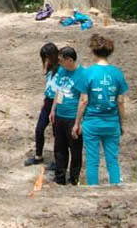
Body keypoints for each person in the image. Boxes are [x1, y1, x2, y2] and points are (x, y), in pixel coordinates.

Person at [73, 34, 129, 186]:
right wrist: (122, 124)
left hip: (92, 122)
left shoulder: (88, 73)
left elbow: (84, 100)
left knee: (92, 160)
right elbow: (121, 102)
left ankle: (93, 190)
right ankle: (116, 187)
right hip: (112, 123)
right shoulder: (117, 73)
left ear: (93, 51)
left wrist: (77, 123)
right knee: (112, 159)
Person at [48, 47, 85, 185]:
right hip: (60, 116)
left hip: (72, 117)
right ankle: (60, 177)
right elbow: (59, 91)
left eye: (61, 60)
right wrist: (53, 110)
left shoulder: (82, 75)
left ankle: (74, 178)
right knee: (59, 148)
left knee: (75, 150)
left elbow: (83, 100)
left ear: (70, 60)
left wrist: (78, 122)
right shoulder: (62, 71)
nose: (60, 63)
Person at [25, 42, 59, 168]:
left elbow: (60, 90)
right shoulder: (50, 69)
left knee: (57, 133)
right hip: (48, 101)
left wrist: (54, 109)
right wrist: (44, 101)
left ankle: (58, 160)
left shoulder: (61, 69)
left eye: (47, 58)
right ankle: (38, 156)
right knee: (39, 129)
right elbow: (48, 84)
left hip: (57, 103)